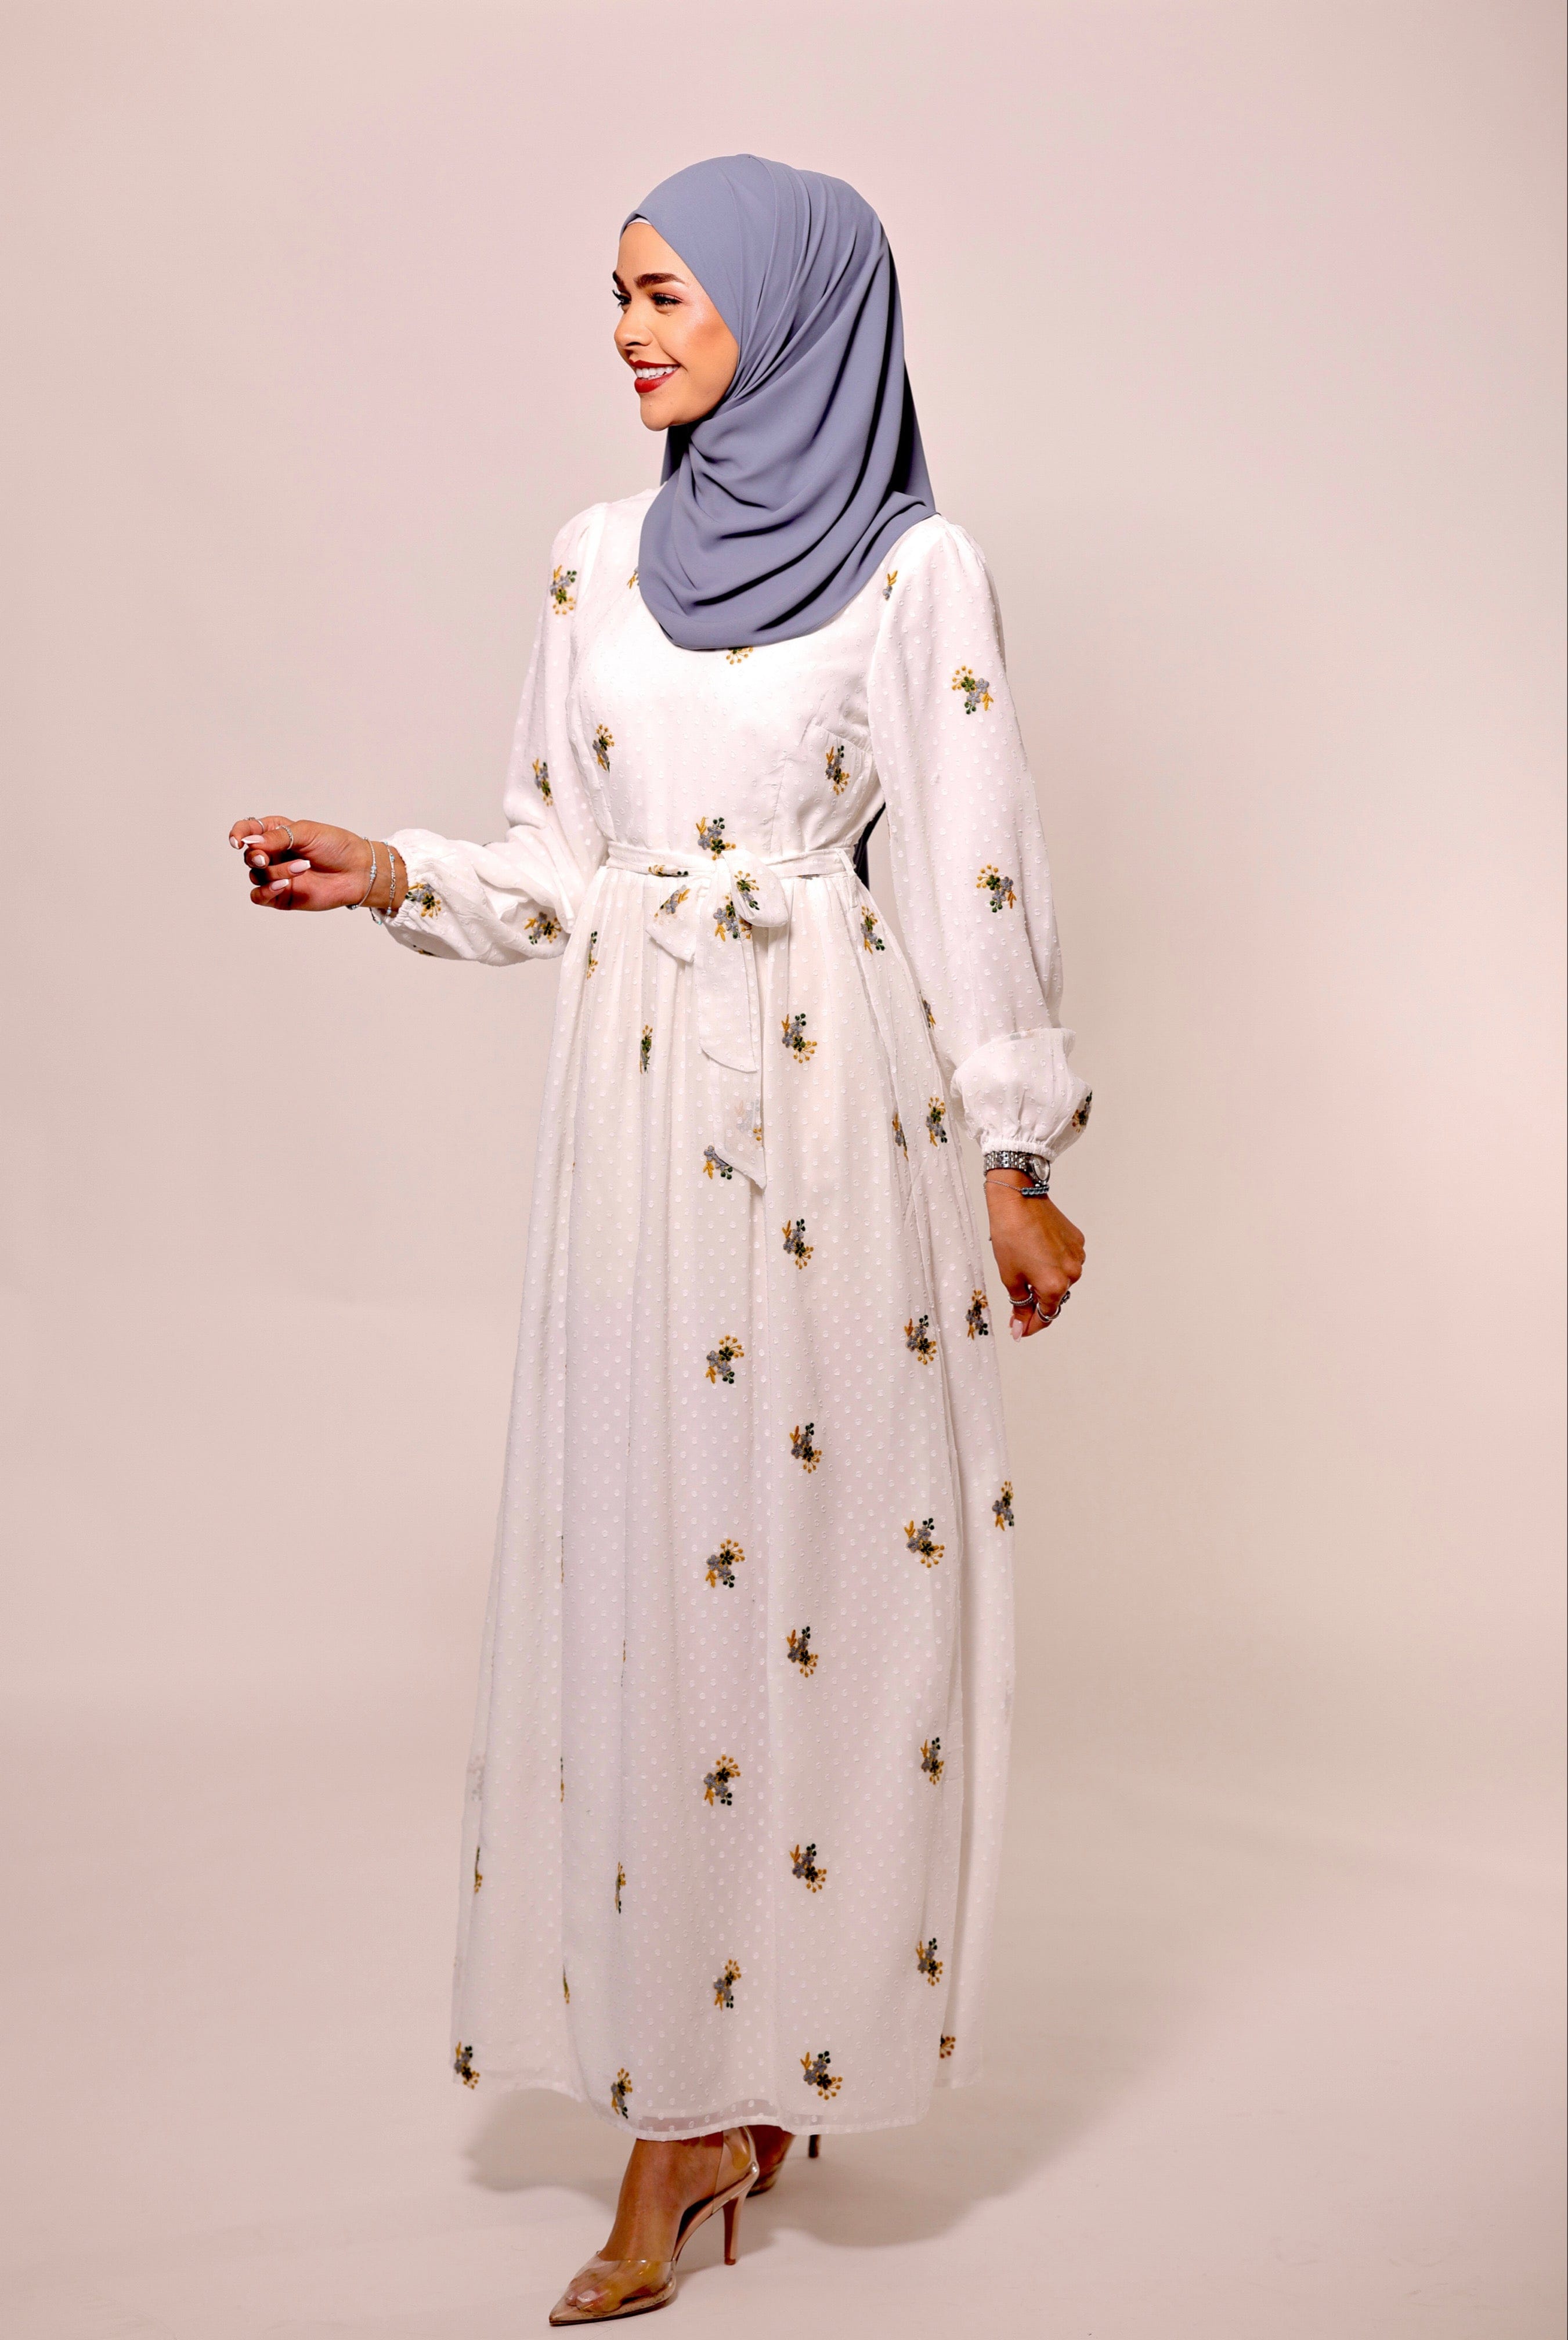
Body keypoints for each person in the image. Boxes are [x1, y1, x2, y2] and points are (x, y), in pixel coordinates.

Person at [228, 153, 1088, 2326]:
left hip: (831, 1116)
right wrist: (393, 870)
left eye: (667, 296)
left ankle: (753, 2072)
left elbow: (970, 872)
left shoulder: (917, 574)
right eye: (615, 293)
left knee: (815, 1579)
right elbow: (556, 857)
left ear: (790, 316)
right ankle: (678, 2089)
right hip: (631, 1122)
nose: (627, 333)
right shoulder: (593, 559)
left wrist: (1012, 1157)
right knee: (652, 1574)